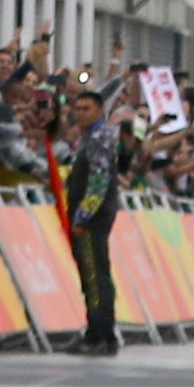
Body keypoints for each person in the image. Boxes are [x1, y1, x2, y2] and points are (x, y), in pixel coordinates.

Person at [65, 91, 121, 356]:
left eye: (86, 108)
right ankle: (104, 332)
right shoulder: (96, 136)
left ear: (100, 110)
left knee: (93, 274)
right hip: (98, 214)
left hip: (93, 218)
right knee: (98, 271)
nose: (80, 113)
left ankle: (98, 333)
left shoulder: (98, 138)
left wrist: (83, 216)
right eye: (77, 108)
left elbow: (99, 180)